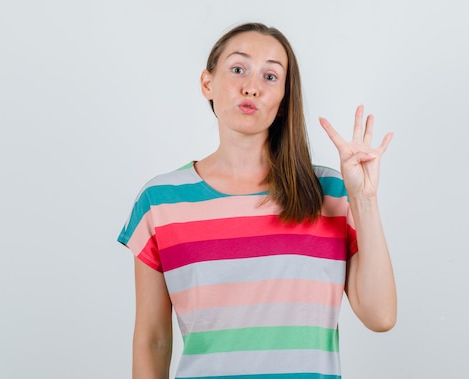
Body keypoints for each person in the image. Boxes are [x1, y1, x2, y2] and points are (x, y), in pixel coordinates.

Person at [117, 22, 396, 379]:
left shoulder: (330, 192)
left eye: (270, 76)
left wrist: (365, 199)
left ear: (283, 99)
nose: (252, 87)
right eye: (238, 69)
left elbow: (381, 316)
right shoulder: (160, 201)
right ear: (207, 83)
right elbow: (152, 340)